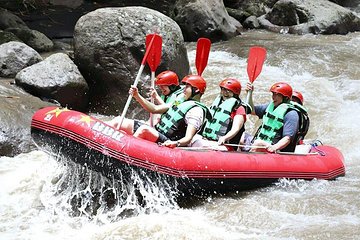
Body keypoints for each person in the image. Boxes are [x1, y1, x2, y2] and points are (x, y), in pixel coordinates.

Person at [133, 74, 211, 148]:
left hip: (170, 140)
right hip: (159, 132)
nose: (183, 89)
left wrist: (176, 143)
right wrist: (136, 95)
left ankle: (126, 156)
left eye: (187, 87)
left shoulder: (196, 111)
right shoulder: (180, 102)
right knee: (123, 123)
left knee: (144, 130)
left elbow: (188, 138)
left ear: (196, 90)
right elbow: (154, 109)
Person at [106, 70, 184, 134]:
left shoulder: (180, 98)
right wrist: (156, 97)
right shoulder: (168, 95)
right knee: (117, 121)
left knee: (117, 122)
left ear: (172, 86)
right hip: (152, 127)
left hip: (156, 132)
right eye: (160, 86)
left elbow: (157, 109)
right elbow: (164, 109)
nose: (160, 88)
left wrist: (137, 95)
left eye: (163, 86)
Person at [191, 78, 250, 151]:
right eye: (223, 89)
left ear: (235, 93)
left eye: (228, 90)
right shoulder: (217, 104)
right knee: (193, 140)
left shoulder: (239, 108)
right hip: (207, 140)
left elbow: (236, 129)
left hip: (225, 145)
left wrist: (225, 138)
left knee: (200, 145)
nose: (225, 92)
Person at [245, 82, 301, 153]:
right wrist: (249, 93)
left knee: (258, 143)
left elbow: (287, 139)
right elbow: (251, 110)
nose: (273, 97)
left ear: (285, 97)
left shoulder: (291, 114)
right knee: (242, 138)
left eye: (277, 95)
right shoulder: (270, 107)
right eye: (273, 94)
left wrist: (274, 147)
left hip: (276, 149)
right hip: (263, 143)